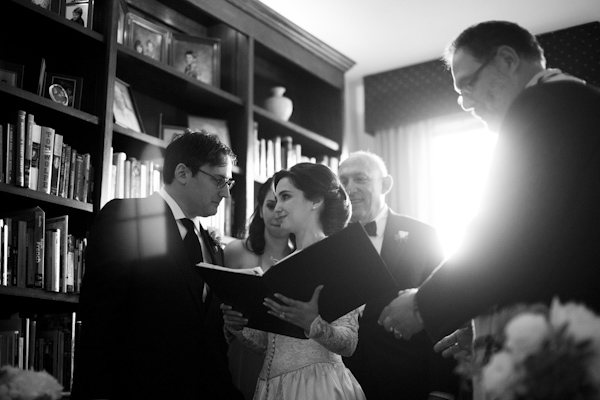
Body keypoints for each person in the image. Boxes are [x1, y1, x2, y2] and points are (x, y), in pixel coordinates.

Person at [378, 20, 600, 353]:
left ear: (508, 60)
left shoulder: (542, 105)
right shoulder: (579, 105)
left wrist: (423, 305)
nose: (466, 103)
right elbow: (550, 245)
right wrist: (482, 322)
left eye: (468, 84)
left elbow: (505, 228)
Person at [71, 130, 244, 400]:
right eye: (219, 180)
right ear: (183, 173)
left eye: (229, 183)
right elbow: (100, 317)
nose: (225, 193)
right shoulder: (127, 217)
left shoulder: (211, 245)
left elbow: (207, 334)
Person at [222, 162, 366, 400]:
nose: (277, 208)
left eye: (286, 197)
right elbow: (272, 346)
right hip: (271, 390)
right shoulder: (282, 266)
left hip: (318, 389)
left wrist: (313, 324)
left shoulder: (340, 260)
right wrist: (239, 326)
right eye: (275, 200)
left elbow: (349, 343)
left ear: (315, 201)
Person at [338, 150, 459, 400]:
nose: (349, 188)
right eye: (343, 181)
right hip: (342, 383)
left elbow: (441, 311)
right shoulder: (329, 241)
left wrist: (442, 388)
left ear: (385, 184)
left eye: (360, 179)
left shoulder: (424, 236)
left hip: (407, 381)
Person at [224, 177, 295, 399]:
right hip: (242, 354)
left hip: (285, 359)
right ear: (261, 210)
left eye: (284, 205)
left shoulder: (300, 258)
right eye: (270, 205)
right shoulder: (235, 251)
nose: (277, 212)